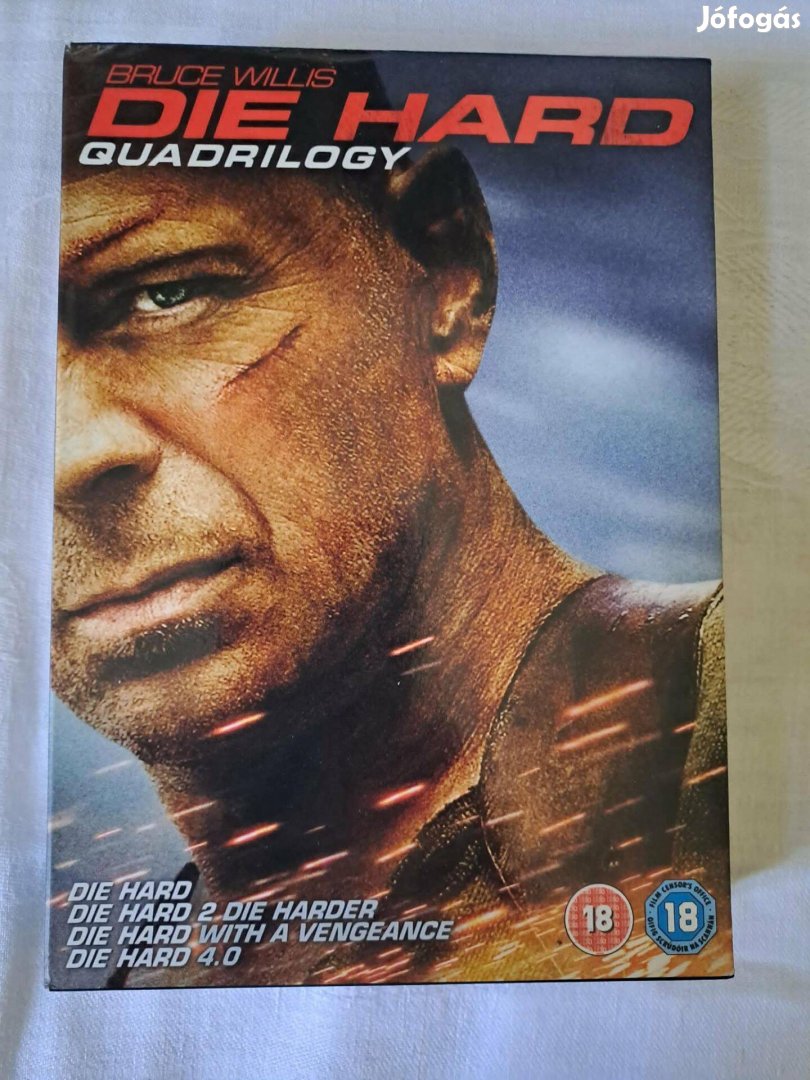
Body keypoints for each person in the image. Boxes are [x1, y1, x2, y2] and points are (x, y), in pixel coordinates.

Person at [52, 48, 729, 985]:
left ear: (445, 271)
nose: (71, 456)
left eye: (170, 293)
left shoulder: (740, 717)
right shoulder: (140, 981)